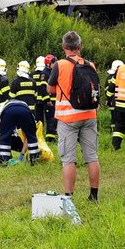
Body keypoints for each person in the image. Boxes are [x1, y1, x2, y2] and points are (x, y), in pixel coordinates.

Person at [47, 30, 100, 202]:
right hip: (89, 114)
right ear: (79, 46)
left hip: (67, 117)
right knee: (91, 157)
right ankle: (94, 195)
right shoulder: (90, 65)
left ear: (64, 47)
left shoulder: (60, 65)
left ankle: (69, 196)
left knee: (68, 159)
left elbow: (50, 89)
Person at [0, 99, 41, 165]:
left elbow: (2, 130)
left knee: (5, 136)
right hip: (24, 111)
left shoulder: (1, 109)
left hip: (9, 111)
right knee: (31, 136)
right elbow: (28, 137)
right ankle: (34, 159)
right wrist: (22, 154)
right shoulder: (25, 107)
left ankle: (3, 160)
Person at [42, 54, 58, 143]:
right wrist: (47, 100)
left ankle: (52, 136)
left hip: (55, 100)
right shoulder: (45, 73)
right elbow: (43, 88)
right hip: (49, 101)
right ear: (48, 64)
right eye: (53, 63)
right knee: (50, 119)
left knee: (54, 119)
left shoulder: (52, 72)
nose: (55, 65)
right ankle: (49, 139)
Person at [32, 56, 49, 130]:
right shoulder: (45, 73)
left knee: (38, 118)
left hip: (36, 100)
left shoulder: (31, 75)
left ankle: (39, 132)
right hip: (45, 98)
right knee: (49, 117)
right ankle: (49, 133)